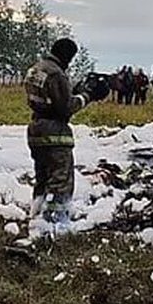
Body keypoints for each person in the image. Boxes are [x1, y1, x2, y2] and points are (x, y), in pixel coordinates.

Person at [24, 38, 110, 225]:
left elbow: (48, 98)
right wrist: (88, 95)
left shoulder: (35, 69)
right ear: (68, 55)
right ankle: (55, 222)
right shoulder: (56, 74)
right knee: (61, 180)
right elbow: (65, 107)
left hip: (35, 129)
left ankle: (36, 214)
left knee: (42, 177)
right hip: (55, 133)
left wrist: (74, 90)